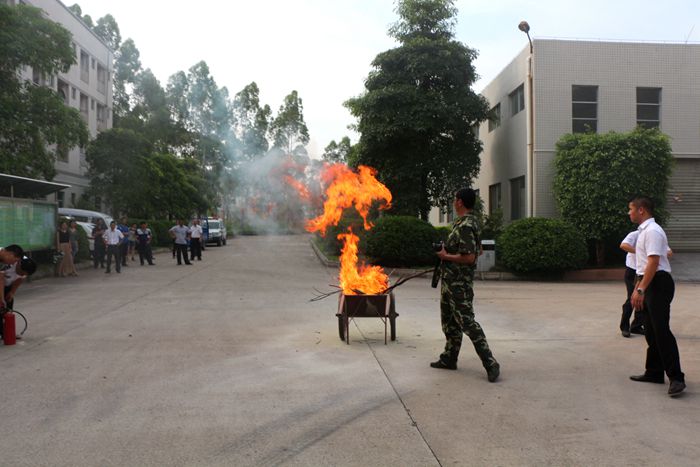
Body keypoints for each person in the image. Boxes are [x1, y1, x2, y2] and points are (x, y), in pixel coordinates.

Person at [431, 188, 500, 382]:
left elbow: (469, 257)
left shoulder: (466, 225)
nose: (453, 202)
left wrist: (445, 256)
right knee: (449, 323)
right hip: (450, 280)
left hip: (458, 284)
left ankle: (491, 362)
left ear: (460, 202)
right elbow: (477, 250)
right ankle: (449, 358)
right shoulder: (466, 223)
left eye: (455, 199)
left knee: (467, 322)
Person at [628, 196, 685, 397]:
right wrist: (638, 288)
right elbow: (642, 265)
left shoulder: (653, 231)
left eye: (631, 209)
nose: (629, 213)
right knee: (651, 331)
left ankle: (677, 377)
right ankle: (654, 372)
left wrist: (642, 289)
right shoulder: (644, 231)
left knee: (661, 331)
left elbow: (653, 262)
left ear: (641, 210)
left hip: (658, 283)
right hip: (648, 280)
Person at [1, 253, 37, 340]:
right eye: (21, 272)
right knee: (1, 306)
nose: (21, 274)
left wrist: (12, 292)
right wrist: (1, 299)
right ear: (19, 265)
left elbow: (19, 279)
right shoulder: (8, 263)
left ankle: (7, 332)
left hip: (7, 286)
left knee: (8, 307)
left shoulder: (24, 269)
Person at [619, 231, 645, 337]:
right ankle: (624, 326)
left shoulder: (654, 235)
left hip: (644, 272)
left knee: (643, 299)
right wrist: (639, 252)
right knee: (632, 298)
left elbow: (669, 251)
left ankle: (636, 326)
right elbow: (623, 245)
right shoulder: (635, 234)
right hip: (632, 270)